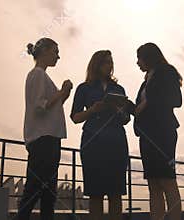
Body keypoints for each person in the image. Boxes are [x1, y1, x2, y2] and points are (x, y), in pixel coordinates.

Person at [70, 50, 130, 220]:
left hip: (116, 142)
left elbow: (126, 119)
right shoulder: (84, 88)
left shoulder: (119, 89)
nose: (109, 65)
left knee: (116, 192)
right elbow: (75, 117)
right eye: (105, 62)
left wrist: (121, 112)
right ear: (96, 64)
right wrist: (92, 110)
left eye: (111, 62)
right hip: (93, 143)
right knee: (95, 193)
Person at [18, 37, 73, 220]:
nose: (58, 56)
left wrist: (63, 94)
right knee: (38, 190)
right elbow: (40, 107)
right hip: (44, 140)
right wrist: (62, 92)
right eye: (55, 51)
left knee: (45, 191)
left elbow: (50, 107)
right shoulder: (38, 74)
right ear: (45, 51)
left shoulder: (40, 75)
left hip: (47, 139)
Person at [129, 42, 183, 220]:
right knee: (153, 184)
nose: (137, 62)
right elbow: (140, 108)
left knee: (167, 180)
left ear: (148, 57)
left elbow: (176, 100)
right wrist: (129, 106)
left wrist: (147, 102)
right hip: (147, 135)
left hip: (162, 133)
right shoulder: (146, 80)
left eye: (139, 58)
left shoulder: (166, 72)